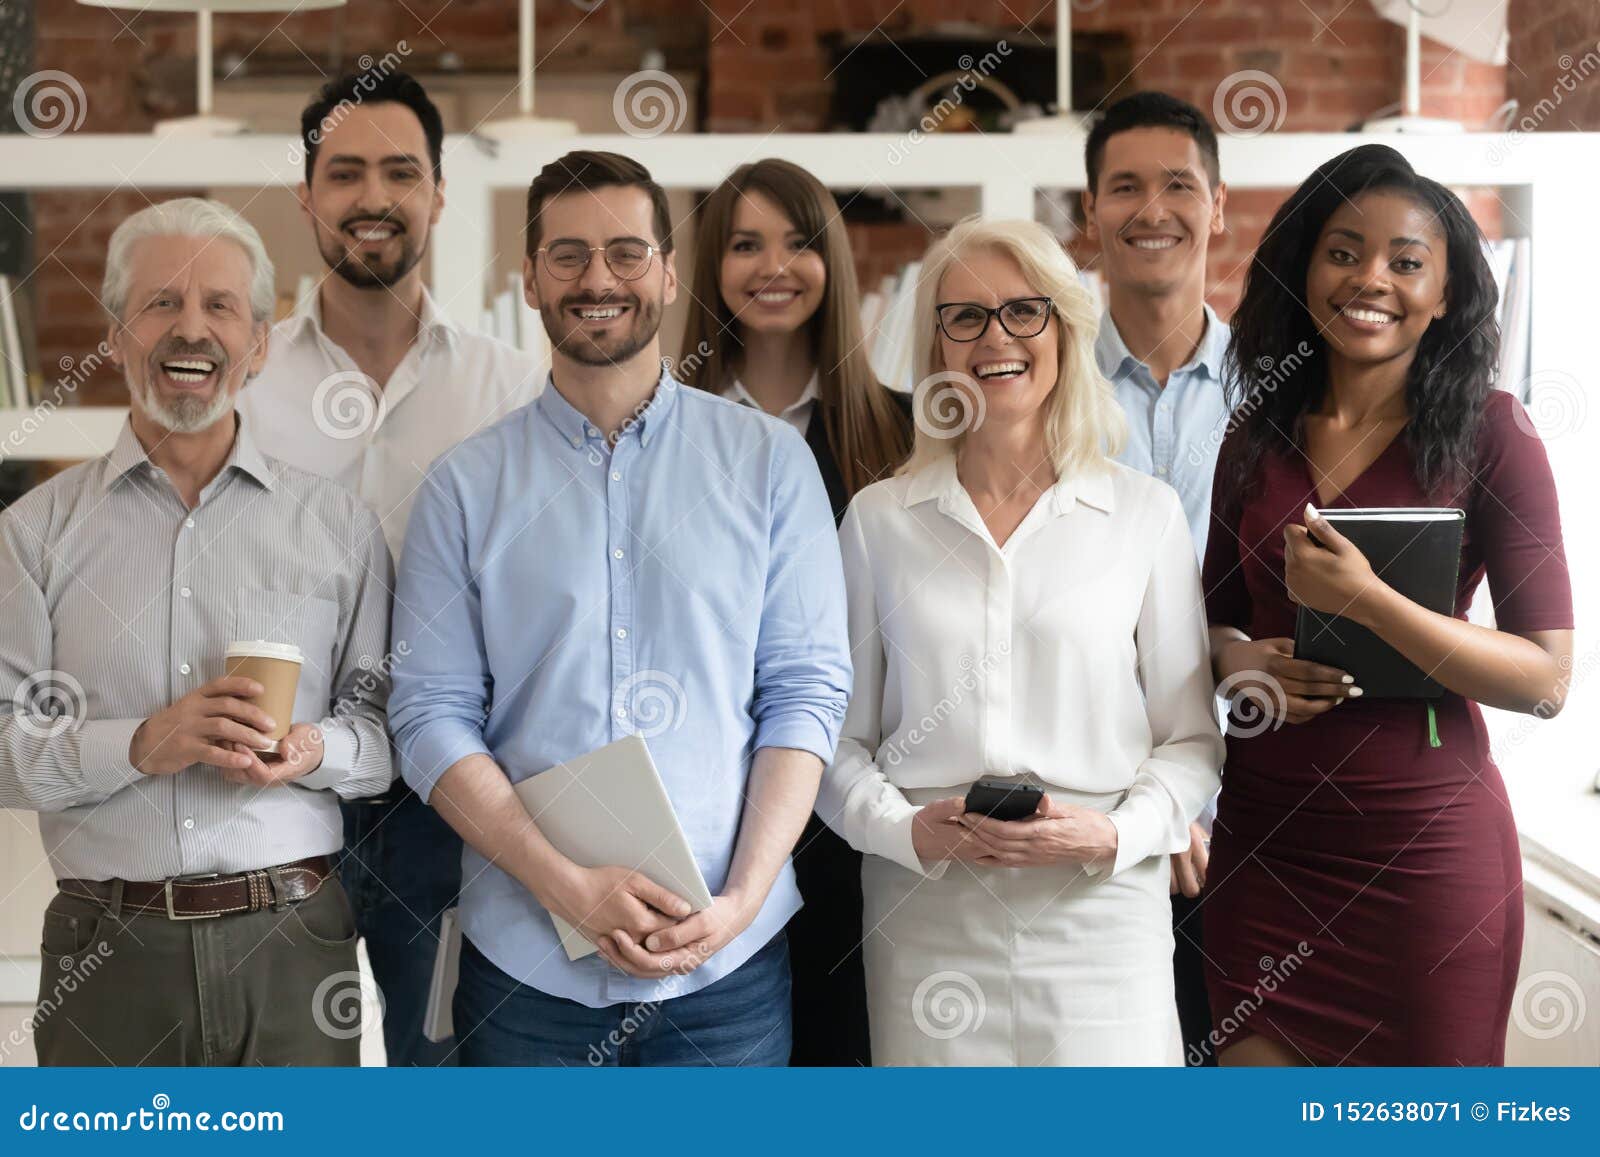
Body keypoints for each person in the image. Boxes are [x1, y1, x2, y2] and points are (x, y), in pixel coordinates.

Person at [387, 150, 852, 1067]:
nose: (598, 278)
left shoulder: (768, 465)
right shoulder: (463, 488)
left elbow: (805, 689)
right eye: (567, 254)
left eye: (627, 252)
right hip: (525, 968)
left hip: (727, 969)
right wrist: (564, 886)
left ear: (670, 273)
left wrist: (744, 899)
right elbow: (427, 716)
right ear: (528, 278)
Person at [818, 216, 1223, 1066]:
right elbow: (835, 744)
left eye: (1021, 312)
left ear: (1064, 327)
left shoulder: (1145, 514)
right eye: (962, 316)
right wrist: (903, 831)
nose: (994, 337)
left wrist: (1114, 835)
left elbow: (1191, 743)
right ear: (934, 346)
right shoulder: (878, 522)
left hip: (1100, 917)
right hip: (927, 914)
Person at [1202, 144, 1574, 1066]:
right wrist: (1235, 660)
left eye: (1407, 261)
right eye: (1343, 250)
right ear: (1303, 267)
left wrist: (1368, 600)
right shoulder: (1255, 437)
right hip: (1265, 849)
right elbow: (1207, 620)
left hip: (1426, 858)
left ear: (1445, 294)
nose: (1372, 279)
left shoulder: (1497, 433)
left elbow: (1546, 680)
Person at [0, 198, 394, 1066]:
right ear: (115, 334)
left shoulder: (339, 528)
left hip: (294, 948)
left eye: (221, 306)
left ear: (258, 344)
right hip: (107, 950)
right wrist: (143, 742)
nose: (192, 328)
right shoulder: (32, 534)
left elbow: (385, 740)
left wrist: (310, 748)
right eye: (160, 304)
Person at [238, 70, 541, 1067]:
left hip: (454, 799)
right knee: (288, 1080)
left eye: (401, 172)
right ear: (308, 196)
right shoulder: (244, 385)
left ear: (439, 194)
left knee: (446, 1072)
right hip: (277, 798)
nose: (374, 196)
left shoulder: (513, 388)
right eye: (346, 171)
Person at [679, 157, 912, 1065]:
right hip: (710, 810)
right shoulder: (667, 431)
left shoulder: (899, 434)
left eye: (798, 242)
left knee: (844, 1050)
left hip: (858, 810)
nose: (773, 265)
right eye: (745, 244)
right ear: (710, 267)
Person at [1081, 90, 1231, 1065]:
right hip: (1089, 805)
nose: (1152, 210)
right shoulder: (1037, 391)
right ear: (1088, 213)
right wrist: (1150, 803)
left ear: (1218, 205)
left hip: (1262, 812)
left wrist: (1198, 801)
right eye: (1123, 187)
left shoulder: (1290, 389)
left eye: (1178, 185)